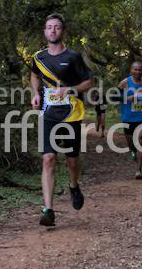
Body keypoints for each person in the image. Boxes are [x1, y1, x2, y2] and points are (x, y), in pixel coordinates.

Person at [30, 13, 94, 226]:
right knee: (48, 159)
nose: (53, 31)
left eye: (57, 27)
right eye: (49, 27)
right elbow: (34, 74)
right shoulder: (39, 57)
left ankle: (74, 185)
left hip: (71, 113)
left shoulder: (73, 57)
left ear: (63, 31)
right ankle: (48, 210)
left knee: (71, 160)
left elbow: (89, 82)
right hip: (49, 114)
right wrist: (36, 93)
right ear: (45, 31)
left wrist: (70, 89)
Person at [118, 61, 142, 180]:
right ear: (131, 70)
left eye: (140, 70)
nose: (138, 72)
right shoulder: (124, 83)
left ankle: (139, 170)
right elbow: (116, 97)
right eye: (135, 69)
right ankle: (132, 151)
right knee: (131, 144)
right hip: (128, 117)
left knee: (141, 140)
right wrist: (128, 98)